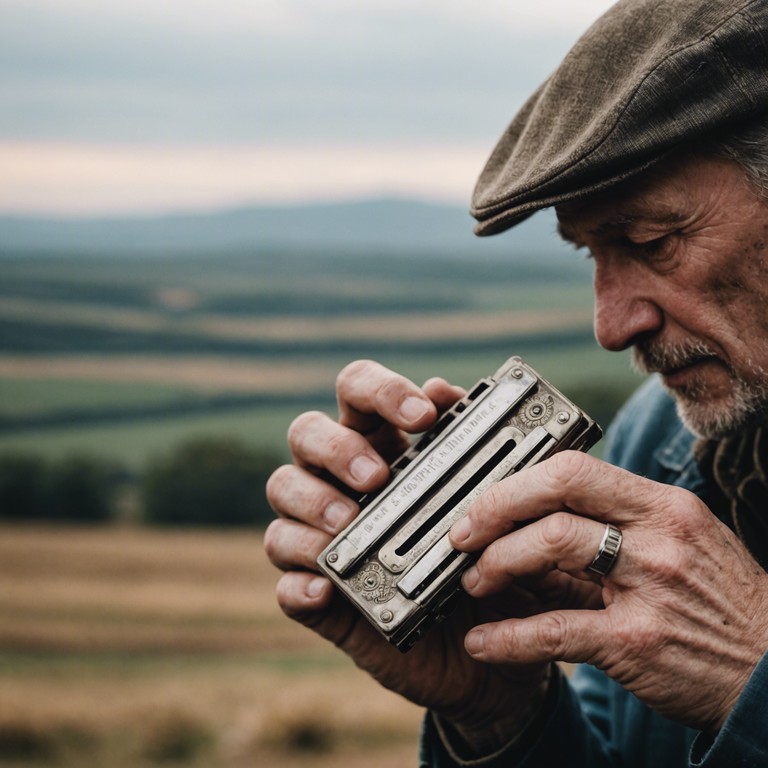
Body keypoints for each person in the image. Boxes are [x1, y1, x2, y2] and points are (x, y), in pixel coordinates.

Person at [264, 0, 768, 765]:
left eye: (650, 240)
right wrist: (500, 714)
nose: (611, 327)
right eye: (589, 252)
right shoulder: (652, 442)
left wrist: (750, 673)